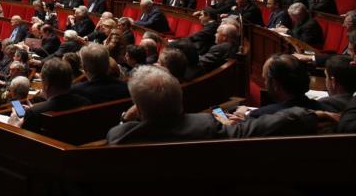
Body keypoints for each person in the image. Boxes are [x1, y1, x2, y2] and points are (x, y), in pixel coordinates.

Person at [107, 66, 316, 145]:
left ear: (139, 109)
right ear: (181, 99)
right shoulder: (207, 126)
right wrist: (309, 113)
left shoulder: (119, 136)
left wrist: (126, 118)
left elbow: (121, 129)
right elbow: (263, 126)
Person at [10, 59, 89, 133]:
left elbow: (24, 143)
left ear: (46, 85)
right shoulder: (85, 102)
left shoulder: (34, 113)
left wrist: (14, 126)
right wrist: (34, 109)